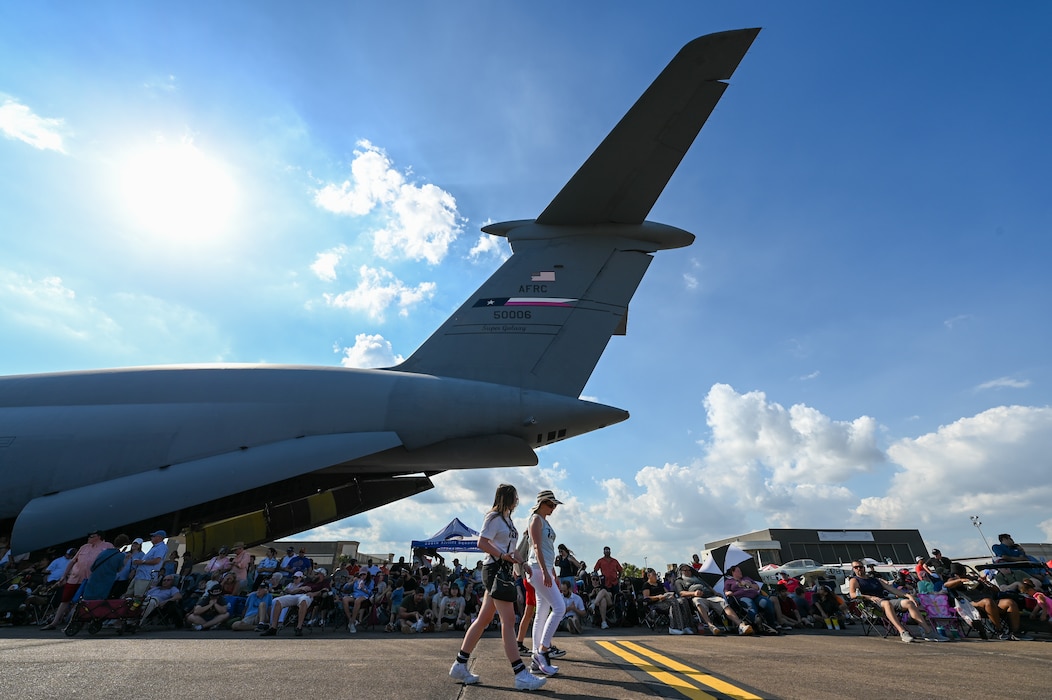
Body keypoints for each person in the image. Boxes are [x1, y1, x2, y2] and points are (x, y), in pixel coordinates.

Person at [449, 483, 546, 691]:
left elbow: (511, 550)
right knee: (508, 620)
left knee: (484, 619)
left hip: (502, 570)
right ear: (507, 498)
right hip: (494, 569)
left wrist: (523, 563)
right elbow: (482, 543)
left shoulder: (508, 520)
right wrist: (502, 556)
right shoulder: (493, 518)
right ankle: (520, 673)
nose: (517, 501)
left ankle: (460, 663)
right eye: (514, 497)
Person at [848, 560, 945, 643]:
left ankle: (929, 632)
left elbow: (892, 589)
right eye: (856, 567)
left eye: (860, 566)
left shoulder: (875, 580)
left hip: (884, 601)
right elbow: (852, 594)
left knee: (908, 603)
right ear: (853, 569)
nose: (858, 569)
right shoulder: (854, 580)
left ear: (864, 567)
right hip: (871, 604)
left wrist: (908, 595)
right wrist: (869, 597)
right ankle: (902, 631)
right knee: (887, 603)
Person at [525, 489, 565, 675]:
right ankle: (543, 650)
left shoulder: (544, 521)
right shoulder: (535, 520)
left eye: (555, 505)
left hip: (544, 569)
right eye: (551, 504)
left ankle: (536, 657)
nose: (553, 507)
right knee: (559, 608)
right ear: (542, 503)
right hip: (537, 568)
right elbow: (536, 547)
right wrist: (544, 570)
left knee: (541, 612)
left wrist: (552, 572)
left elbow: (548, 549)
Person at [42, 530, 114, 630]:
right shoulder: (84, 547)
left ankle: (83, 622)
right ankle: (54, 622)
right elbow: (72, 561)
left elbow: (113, 560)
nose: (89, 538)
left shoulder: (107, 546)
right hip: (76, 577)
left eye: (91, 536)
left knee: (88, 600)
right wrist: (64, 576)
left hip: (92, 578)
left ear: (98, 537)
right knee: (65, 599)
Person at [944, 563, 1032, 641]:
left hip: (991, 601)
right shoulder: (954, 580)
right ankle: (999, 631)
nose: (961, 575)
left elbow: (997, 590)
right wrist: (960, 580)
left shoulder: (973, 578)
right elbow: (946, 585)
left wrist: (986, 583)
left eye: (961, 573)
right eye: (958, 574)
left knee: (1010, 602)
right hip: (972, 604)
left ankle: (1015, 632)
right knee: (988, 602)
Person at [673, 564, 751, 635]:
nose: (687, 572)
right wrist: (694, 593)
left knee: (722, 601)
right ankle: (711, 626)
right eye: (685, 570)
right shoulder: (679, 581)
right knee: (697, 601)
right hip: (697, 597)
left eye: (689, 570)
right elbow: (681, 593)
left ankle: (740, 625)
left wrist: (715, 592)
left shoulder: (698, 578)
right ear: (680, 572)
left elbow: (708, 586)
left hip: (710, 596)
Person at [642, 567, 694, 634]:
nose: (656, 576)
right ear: (649, 576)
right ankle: (675, 627)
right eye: (654, 574)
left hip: (665, 600)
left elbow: (667, 592)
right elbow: (646, 597)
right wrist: (658, 597)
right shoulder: (646, 585)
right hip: (655, 603)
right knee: (673, 602)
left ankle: (686, 626)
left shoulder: (659, 583)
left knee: (683, 600)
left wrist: (669, 594)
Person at [724, 565, 777, 629]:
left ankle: (771, 625)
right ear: (733, 572)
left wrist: (750, 584)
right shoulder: (729, 581)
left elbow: (757, 587)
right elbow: (725, 591)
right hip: (742, 597)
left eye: (740, 571)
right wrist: (728, 593)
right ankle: (757, 625)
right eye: (738, 571)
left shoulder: (746, 578)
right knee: (750, 605)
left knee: (767, 602)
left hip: (755, 596)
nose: (741, 572)